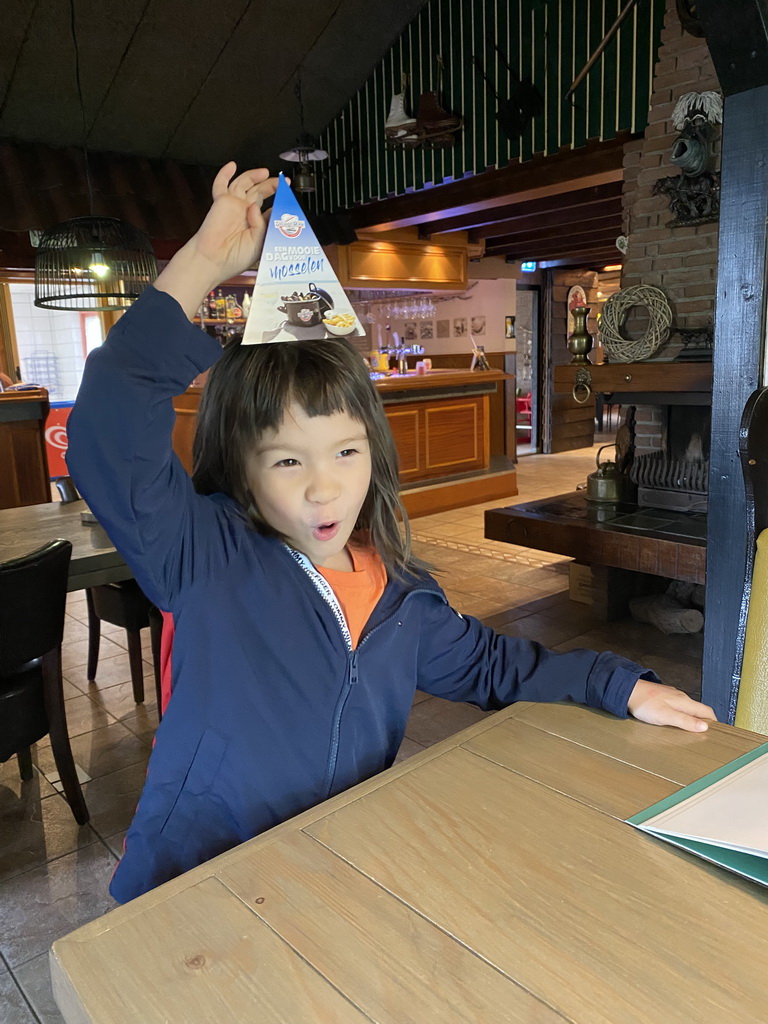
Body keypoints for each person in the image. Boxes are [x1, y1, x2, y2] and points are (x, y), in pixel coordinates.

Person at [67, 163, 717, 904]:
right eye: (287, 459)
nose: (324, 486)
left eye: (345, 451)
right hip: (190, 886)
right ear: (242, 468)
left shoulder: (403, 598)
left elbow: (497, 669)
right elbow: (107, 433)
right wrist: (199, 267)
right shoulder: (206, 558)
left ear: (373, 452)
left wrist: (619, 683)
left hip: (326, 873)